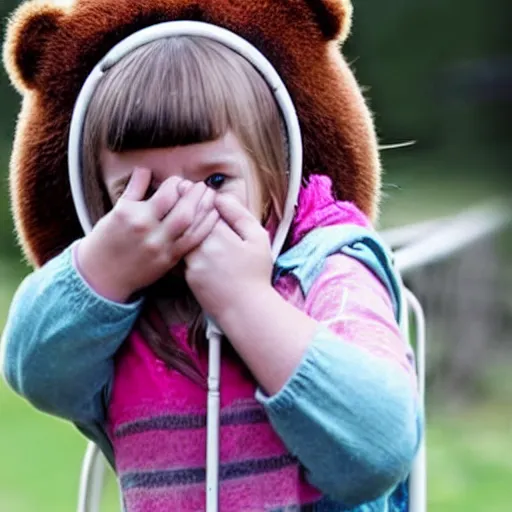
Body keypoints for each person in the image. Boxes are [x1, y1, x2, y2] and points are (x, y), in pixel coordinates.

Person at [1, 10, 422, 512]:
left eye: (216, 181)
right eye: (143, 191)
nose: (184, 209)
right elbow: (35, 370)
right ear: (98, 204)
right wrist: (105, 270)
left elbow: (380, 446)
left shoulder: (328, 270)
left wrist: (247, 302)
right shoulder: (113, 318)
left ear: (273, 176)